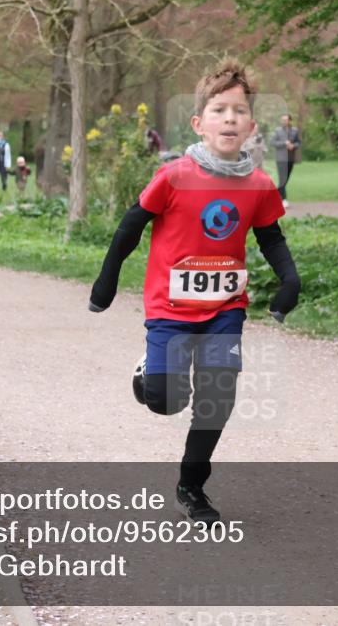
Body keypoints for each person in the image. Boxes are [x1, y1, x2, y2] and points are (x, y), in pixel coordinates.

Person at [88, 60, 301, 523]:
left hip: (225, 308)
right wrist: (106, 282)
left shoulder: (259, 185)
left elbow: (271, 238)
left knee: (217, 396)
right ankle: (150, 371)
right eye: (219, 110)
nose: (229, 118)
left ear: (251, 126)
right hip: (170, 307)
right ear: (198, 124)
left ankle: (192, 485)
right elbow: (130, 227)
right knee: (167, 400)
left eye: (239, 111)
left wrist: (291, 279)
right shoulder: (175, 176)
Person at [270, 113, 301, 208]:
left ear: (290, 121)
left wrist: (293, 146)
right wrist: (284, 143)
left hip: (290, 158)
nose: (284, 121)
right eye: (282, 120)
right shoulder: (277, 131)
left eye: (286, 120)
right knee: (282, 179)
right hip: (281, 159)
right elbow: (272, 142)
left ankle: (273, 197)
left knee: (285, 179)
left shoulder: (295, 131)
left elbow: (298, 143)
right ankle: (283, 200)